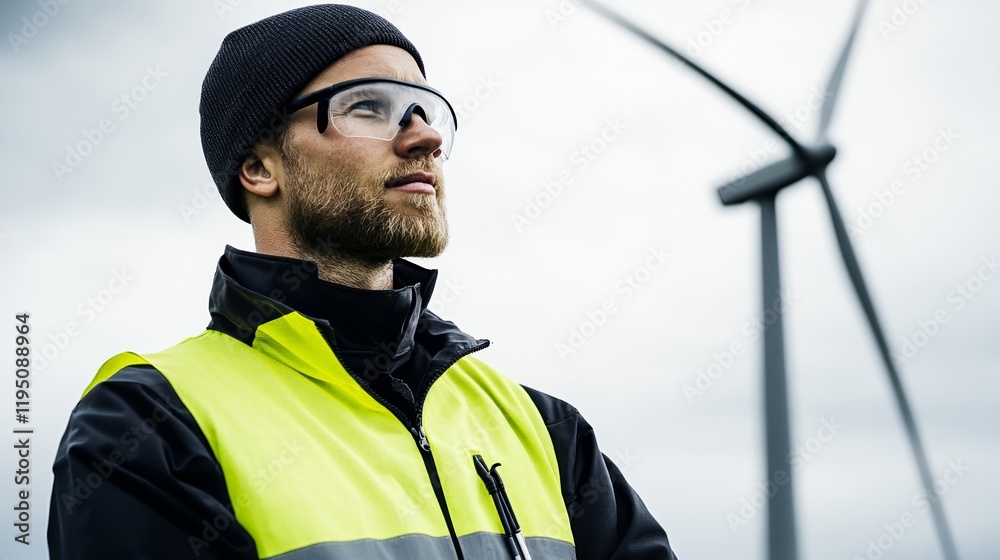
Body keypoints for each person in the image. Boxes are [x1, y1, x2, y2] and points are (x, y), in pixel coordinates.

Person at [47, 4, 679, 559]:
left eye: (425, 111)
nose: (426, 137)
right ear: (261, 168)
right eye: (370, 107)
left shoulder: (545, 430)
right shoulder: (149, 424)